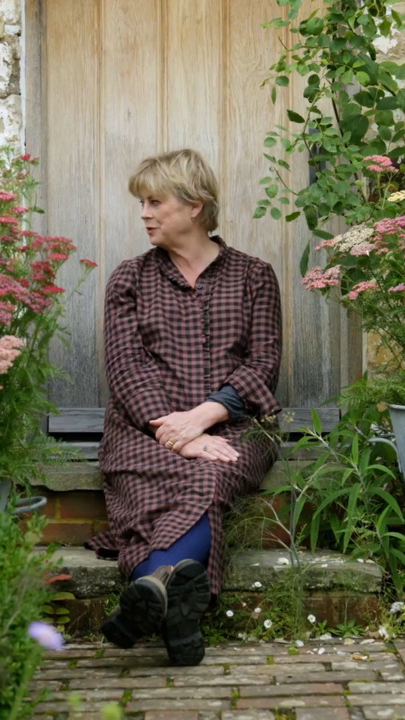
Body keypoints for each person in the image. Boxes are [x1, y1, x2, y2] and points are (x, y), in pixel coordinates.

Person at [84, 149, 283, 666]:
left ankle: (154, 586)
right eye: (142, 203)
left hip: (237, 426)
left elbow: (263, 364)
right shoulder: (129, 278)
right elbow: (125, 367)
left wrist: (204, 417)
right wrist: (177, 432)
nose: (144, 213)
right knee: (183, 476)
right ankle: (174, 602)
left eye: (155, 201)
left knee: (210, 475)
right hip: (141, 428)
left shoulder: (254, 276)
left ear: (194, 206)